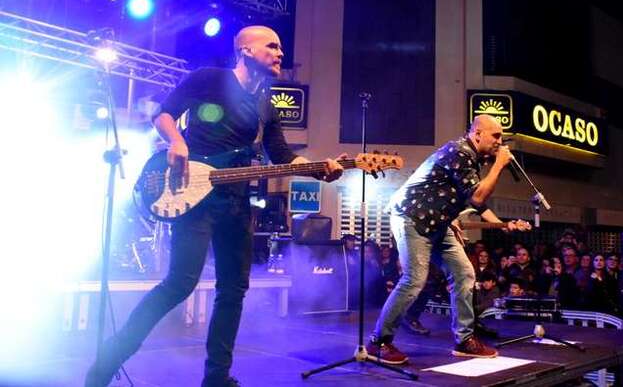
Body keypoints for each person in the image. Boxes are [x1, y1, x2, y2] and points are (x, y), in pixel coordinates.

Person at [85, 26, 345, 387]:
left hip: (236, 203)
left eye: (280, 47)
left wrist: (319, 168)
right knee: (180, 284)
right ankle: (108, 361)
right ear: (246, 50)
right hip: (193, 196)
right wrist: (176, 141)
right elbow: (163, 114)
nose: (280, 53)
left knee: (233, 290)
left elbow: (283, 157)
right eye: (272, 46)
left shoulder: (266, 105)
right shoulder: (209, 79)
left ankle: (217, 378)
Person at [367, 114, 528, 364]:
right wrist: (499, 165)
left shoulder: (473, 159)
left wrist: (501, 224)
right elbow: (477, 197)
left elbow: (476, 201)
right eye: (495, 135)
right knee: (414, 279)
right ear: (477, 134)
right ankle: (378, 342)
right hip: (412, 218)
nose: (499, 141)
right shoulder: (459, 151)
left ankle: (465, 340)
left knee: (464, 273)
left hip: (438, 224)